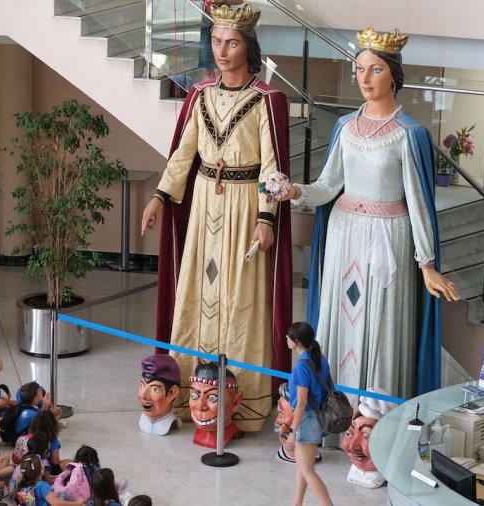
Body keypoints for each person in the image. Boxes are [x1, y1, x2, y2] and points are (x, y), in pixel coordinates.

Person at [277, 26, 460, 398]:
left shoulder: (410, 134)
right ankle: (333, 409)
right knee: (340, 319)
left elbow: (419, 202)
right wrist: (296, 190)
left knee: (378, 325)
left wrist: (426, 264)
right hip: (344, 233)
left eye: (375, 69)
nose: (365, 78)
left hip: (387, 241)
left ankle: (372, 417)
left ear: (394, 73)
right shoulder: (345, 127)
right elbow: (329, 185)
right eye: (359, 69)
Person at [140, 3, 293, 433]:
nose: (222, 51)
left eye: (232, 43)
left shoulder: (268, 100)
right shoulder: (199, 95)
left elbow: (272, 167)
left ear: (249, 46)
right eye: (216, 41)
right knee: (198, 290)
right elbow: (182, 155)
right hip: (205, 202)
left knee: (241, 297)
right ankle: (191, 393)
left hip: (246, 207)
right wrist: (159, 196)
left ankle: (242, 401)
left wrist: (267, 218)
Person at [285, 322, 333, 506]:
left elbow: (302, 402)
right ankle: (296, 503)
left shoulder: (301, 367)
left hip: (307, 419)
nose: (286, 340)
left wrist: (292, 430)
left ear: (296, 342)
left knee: (307, 471)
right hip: (318, 416)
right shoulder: (319, 358)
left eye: (288, 338)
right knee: (303, 466)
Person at [11, 454, 86, 506]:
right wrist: (77, 504)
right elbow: (56, 504)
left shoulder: (19, 482)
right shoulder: (42, 486)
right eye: (42, 464)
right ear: (41, 471)